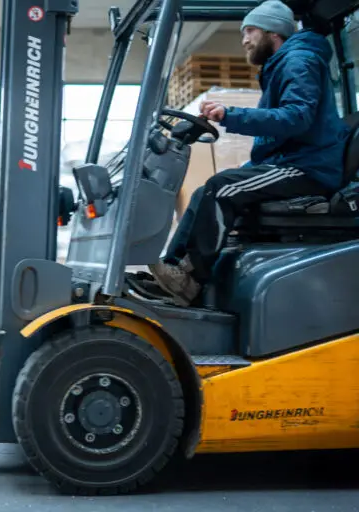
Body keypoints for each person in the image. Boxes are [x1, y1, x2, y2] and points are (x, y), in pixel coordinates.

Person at [150, 0, 350, 306]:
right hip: (293, 160)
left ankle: (191, 280)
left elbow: (296, 117)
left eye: (251, 30)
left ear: (273, 33)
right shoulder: (284, 63)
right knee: (209, 188)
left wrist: (230, 115)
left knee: (223, 188)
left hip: (309, 167)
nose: (244, 39)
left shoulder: (299, 61)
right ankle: (175, 268)